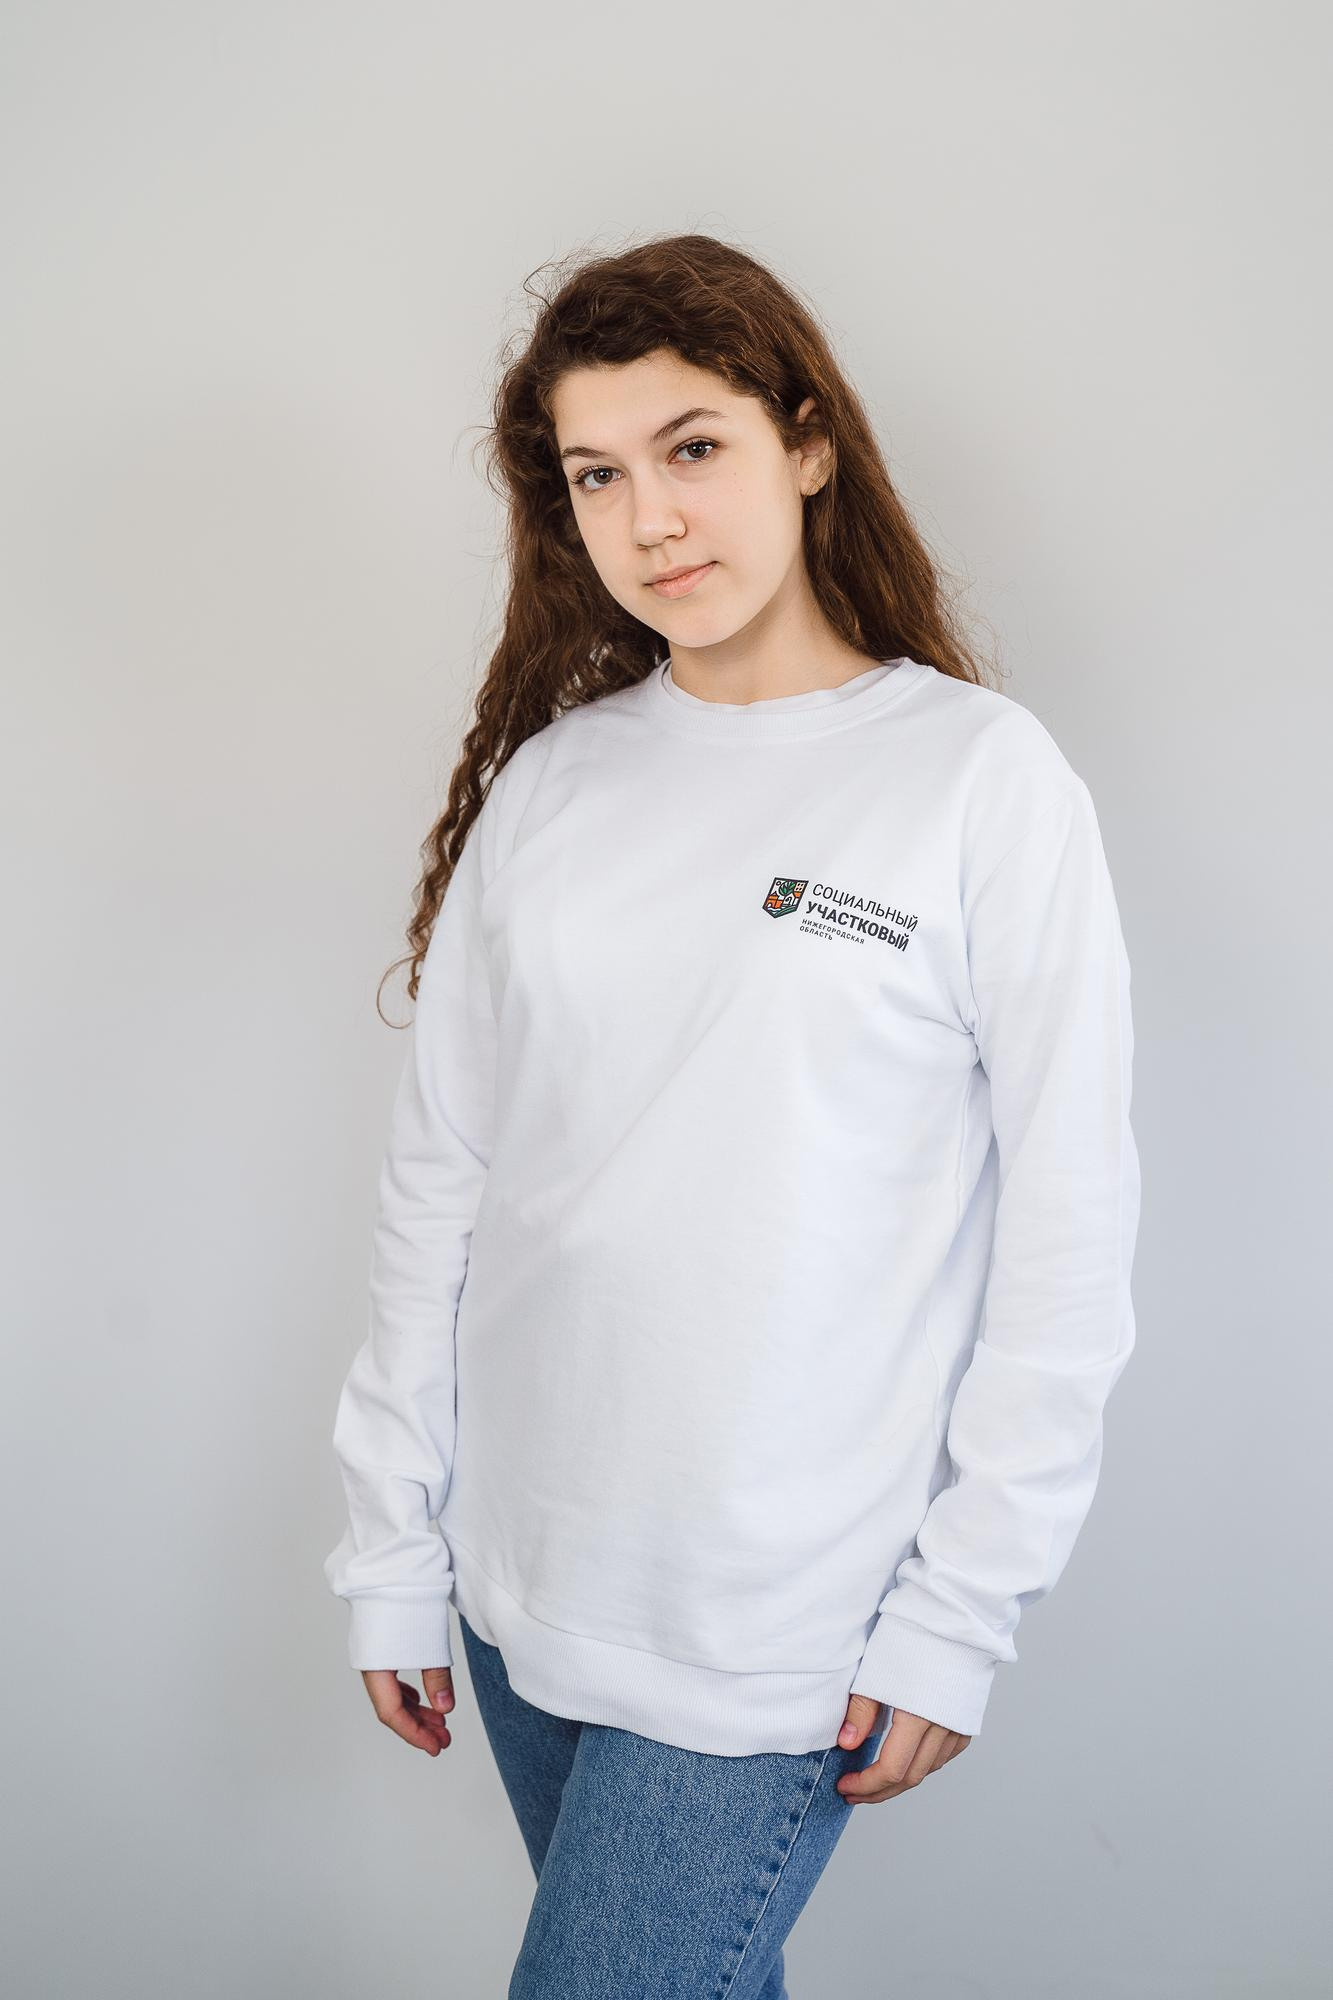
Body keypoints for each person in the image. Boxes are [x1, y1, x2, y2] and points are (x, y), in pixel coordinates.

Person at [322, 231, 1141, 1998]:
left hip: (774, 1620)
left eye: (691, 447)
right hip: (523, 1589)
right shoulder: (555, 788)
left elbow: (1068, 1234)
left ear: (807, 442)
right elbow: (439, 1189)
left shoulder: (975, 781)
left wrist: (960, 1608)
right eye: (595, 476)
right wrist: (393, 1547)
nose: (650, 520)